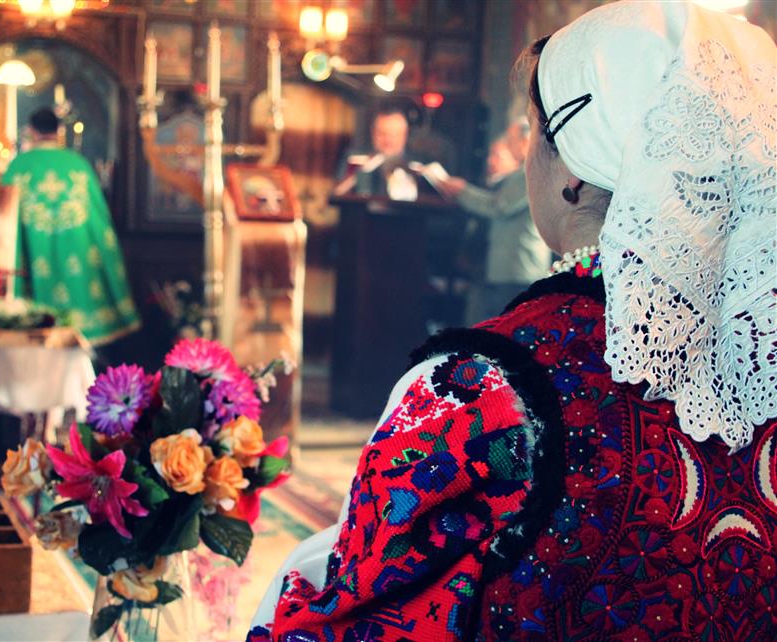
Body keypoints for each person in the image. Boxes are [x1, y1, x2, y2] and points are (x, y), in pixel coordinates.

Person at [249, 3, 776, 640]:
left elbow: (358, 609)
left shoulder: (479, 389)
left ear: (572, 172)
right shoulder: (760, 358)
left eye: (531, 132)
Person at [1, 108, 140, 345]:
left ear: (31, 131)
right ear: (59, 130)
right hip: (75, 250)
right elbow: (98, 214)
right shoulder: (78, 164)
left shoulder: (19, 166)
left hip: (35, 251)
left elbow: (2, 216)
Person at [441, 119, 552, 324]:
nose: (509, 144)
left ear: (526, 140)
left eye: (511, 139)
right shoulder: (524, 172)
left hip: (519, 269)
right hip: (507, 270)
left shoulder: (531, 170)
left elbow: (499, 206)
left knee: (507, 330)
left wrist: (462, 191)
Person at [333, 104, 426, 201]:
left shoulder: (420, 163)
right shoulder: (355, 159)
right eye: (382, 134)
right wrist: (361, 171)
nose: (388, 140)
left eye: (394, 134)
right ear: (373, 132)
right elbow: (337, 193)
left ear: (405, 134)